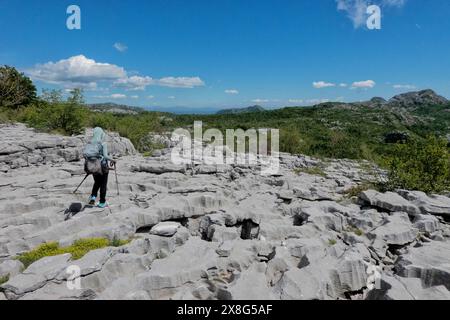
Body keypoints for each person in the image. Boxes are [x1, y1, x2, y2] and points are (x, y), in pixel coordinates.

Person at [88, 127, 115, 208]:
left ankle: (93, 197)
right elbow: (106, 156)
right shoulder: (103, 143)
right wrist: (113, 160)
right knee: (103, 185)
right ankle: (102, 202)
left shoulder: (90, 143)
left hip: (93, 166)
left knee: (97, 182)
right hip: (103, 167)